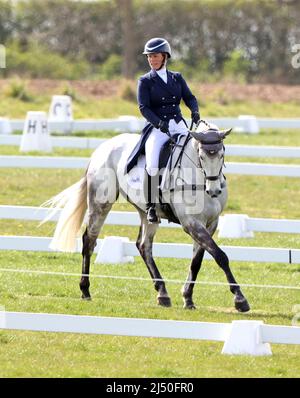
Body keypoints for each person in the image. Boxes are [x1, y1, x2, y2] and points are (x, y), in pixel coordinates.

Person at [126, 37, 200, 223]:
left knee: (196, 152)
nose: (152, 60)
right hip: (157, 128)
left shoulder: (177, 78)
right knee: (152, 164)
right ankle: (151, 206)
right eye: (149, 57)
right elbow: (143, 108)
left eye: (155, 56)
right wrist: (159, 123)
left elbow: (189, 97)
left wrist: (195, 111)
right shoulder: (145, 81)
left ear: (165, 56)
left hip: (178, 123)